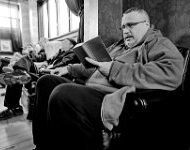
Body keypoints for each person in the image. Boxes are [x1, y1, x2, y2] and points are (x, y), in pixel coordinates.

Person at [31, 7, 184, 150]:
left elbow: (171, 72)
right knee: (45, 82)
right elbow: (94, 67)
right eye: (123, 27)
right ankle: (43, 146)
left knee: (62, 93)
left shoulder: (158, 43)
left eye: (131, 25)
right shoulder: (119, 46)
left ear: (147, 25)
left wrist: (113, 69)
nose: (125, 31)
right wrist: (69, 68)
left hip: (111, 97)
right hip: (91, 88)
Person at [0, 38, 78, 121]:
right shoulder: (59, 53)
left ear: (71, 45)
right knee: (18, 72)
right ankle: (15, 107)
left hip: (52, 73)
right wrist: (45, 64)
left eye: (65, 41)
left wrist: (48, 67)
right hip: (44, 70)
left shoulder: (72, 53)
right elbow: (48, 61)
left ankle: (15, 107)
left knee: (20, 68)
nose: (62, 42)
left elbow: (62, 64)